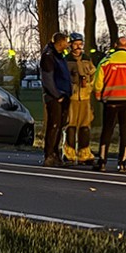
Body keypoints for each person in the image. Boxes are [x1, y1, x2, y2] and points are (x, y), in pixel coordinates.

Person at [92, 37, 126, 173]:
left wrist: (98, 96)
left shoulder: (106, 61)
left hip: (111, 100)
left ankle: (102, 162)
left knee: (107, 131)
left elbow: (98, 82)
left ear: (115, 45)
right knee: (125, 132)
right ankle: (122, 163)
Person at [39, 32, 72, 167]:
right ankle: (49, 154)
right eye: (66, 41)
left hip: (63, 95)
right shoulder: (49, 56)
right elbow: (47, 78)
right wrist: (56, 95)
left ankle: (55, 154)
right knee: (54, 125)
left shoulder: (59, 55)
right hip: (55, 97)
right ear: (60, 42)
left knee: (59, 125)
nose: (68, 44)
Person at [64, 32, 96, 165]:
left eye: (80, 44)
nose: (78, 47)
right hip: (71, 98)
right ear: (70, 45)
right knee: (70, 125)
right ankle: (69, 154)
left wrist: (88, 87)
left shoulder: (87, 59)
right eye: (75, 44)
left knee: (85, 126)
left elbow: (93, 75)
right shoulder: (66, 60)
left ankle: (84, 154)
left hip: (85, 97)